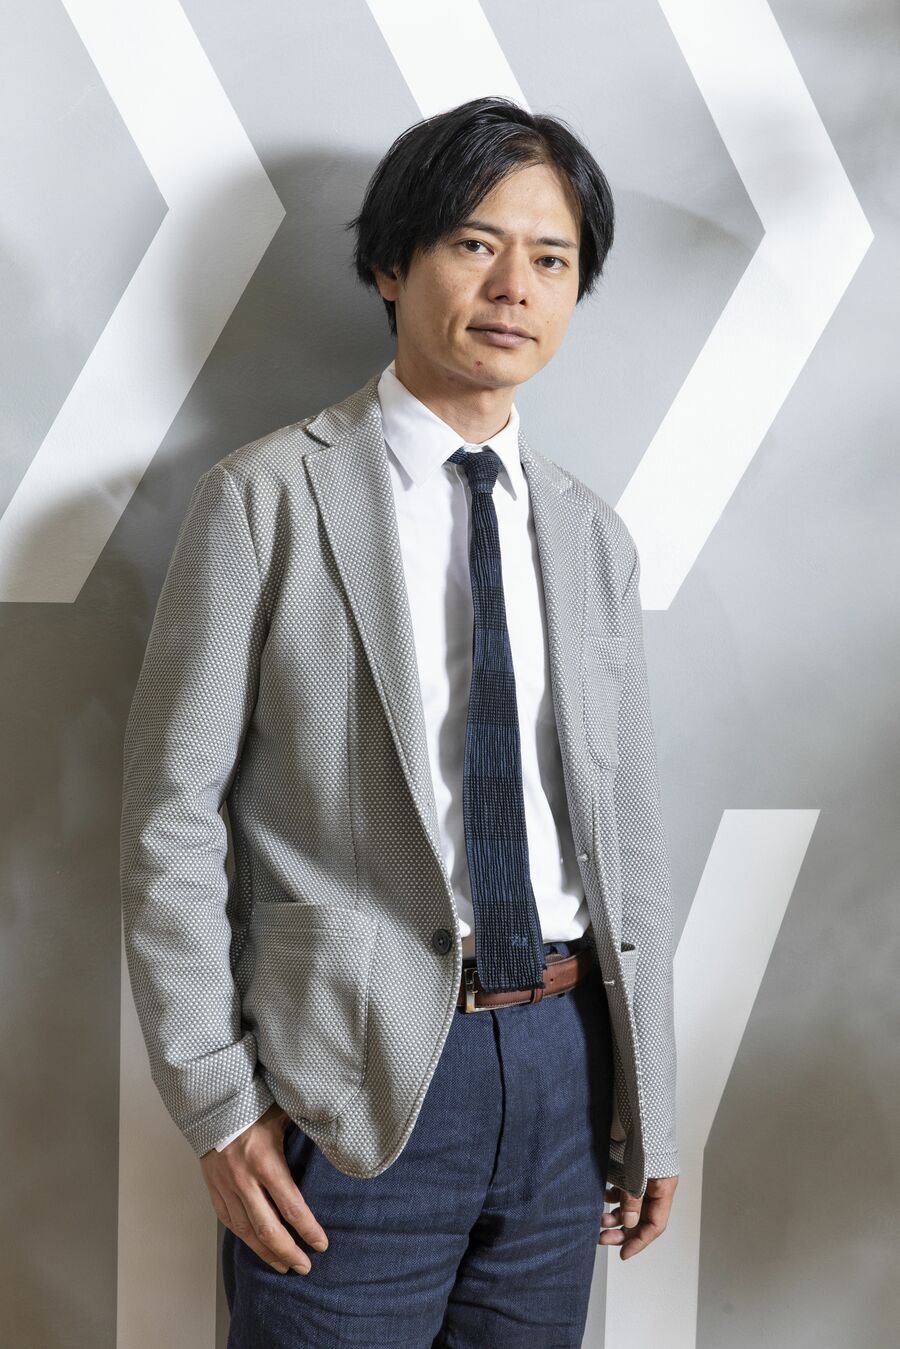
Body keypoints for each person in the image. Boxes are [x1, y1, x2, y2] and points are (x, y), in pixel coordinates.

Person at [120, 94, 679, 1348]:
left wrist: (656, 1099)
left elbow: (629, 831)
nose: (514, 287)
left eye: (552, 259)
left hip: (566, 1062)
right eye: (476, 244)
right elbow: (171, 818)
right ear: (391, 263)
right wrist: (216, 1101)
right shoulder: (267, 498)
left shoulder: (591, 535)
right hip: (352, 1071)